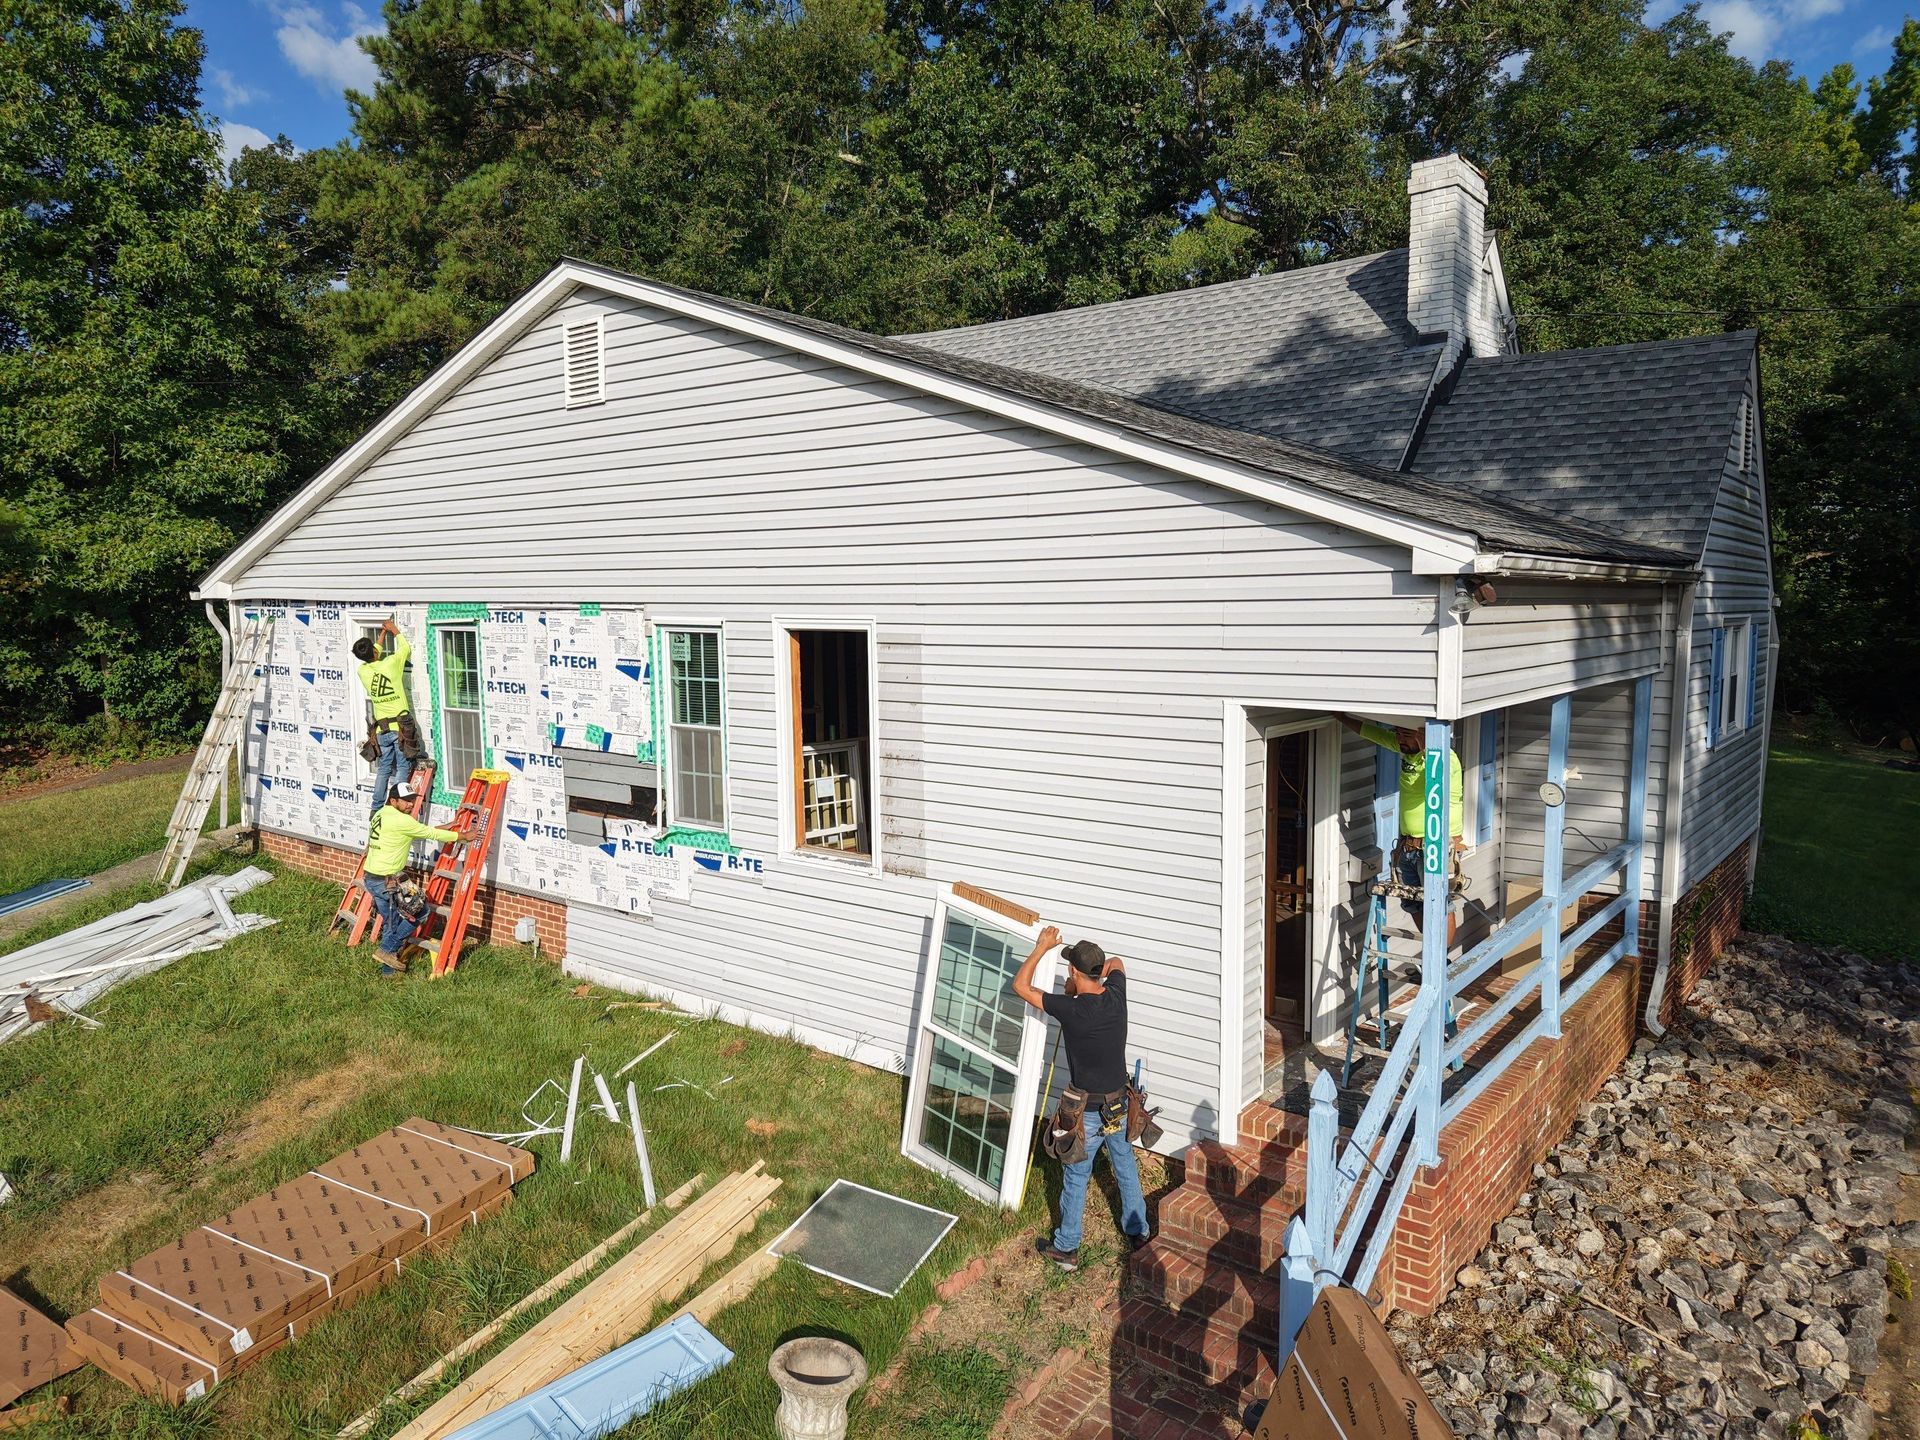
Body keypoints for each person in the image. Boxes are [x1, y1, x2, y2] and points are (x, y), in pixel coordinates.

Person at [1011, 926, 1149, 1270]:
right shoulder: (1116, 995)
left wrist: (1042, 947)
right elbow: (1117, 962)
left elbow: (1021, 986)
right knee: (1125, 1165)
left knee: (1076, 1175)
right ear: (1098, 972)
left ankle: (1067, 1248)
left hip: (1087, 1112)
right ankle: (1139, 1233)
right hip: (1120, 1106)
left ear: (1073, 971)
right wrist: (1090, 978)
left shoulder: (1070, 1009)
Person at [1337, 714, 1466, 946]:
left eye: (1405, 735)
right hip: (1408, 846)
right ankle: (1432, 950)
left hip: (1435, 847)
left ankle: (1441, 961)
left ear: (1423, 735)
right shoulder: (1407, 749)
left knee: (1439, 903)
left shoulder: (1446, 758)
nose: (1399, 739)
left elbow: (1435, 779)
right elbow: (1371, 732)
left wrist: (1427, 744)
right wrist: (1337, 714)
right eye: (1397, 733)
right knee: (1412, 902)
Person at [361, 780, 464, 975]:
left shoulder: (381, 814)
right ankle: (386, 950)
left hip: (372, 878)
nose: (411, 804)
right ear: (393, 801)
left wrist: (447, 826)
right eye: (406, 800)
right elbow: (428, 833)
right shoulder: (402, 820)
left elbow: (420, 831)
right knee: (421, 912)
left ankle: (388, 972)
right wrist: (462, 836)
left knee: (392, 922)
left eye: (412, 800)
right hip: (387, 881)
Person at [352, 620, 415, 812]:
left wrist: (382, 634)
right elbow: (405, 648)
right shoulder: (391, 664)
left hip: (382, 731)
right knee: (402, 768)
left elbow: (373, 653)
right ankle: (395, 809)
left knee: (384, 769)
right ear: (374, 651)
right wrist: (393, 629)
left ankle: (376, 808)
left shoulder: (362, 671)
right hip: (400, 729)